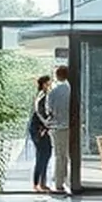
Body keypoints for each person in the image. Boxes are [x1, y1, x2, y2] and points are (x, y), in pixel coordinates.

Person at [48, 64, 72, 194]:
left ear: (57, 75)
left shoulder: (54, 91)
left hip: (57, 127)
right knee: (67, 155)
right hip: (70, 126)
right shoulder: (71, 90)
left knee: (58, 155)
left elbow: (49, 109)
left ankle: (58, 183)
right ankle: (68, 180)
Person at [29, 75, 53, 193]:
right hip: (38, 128)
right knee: (43, 154)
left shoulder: (42, 94)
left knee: (45, 153)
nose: (50, 85)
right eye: (49, 83)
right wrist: (46, 123)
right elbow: (40, 113)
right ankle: (37, 183)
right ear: (44, 84)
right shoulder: (42, 95)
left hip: (40, 128)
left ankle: (41, 183)